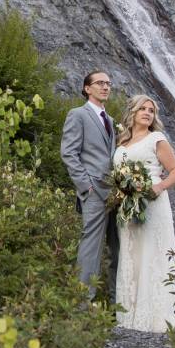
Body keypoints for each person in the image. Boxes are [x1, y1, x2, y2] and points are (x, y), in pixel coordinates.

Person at [112, 94, 175, 331]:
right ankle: (130, 316)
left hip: (152, 204)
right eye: (142, 109)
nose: (147, 113)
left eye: (151, 110)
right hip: (127, 206)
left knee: (153, 254)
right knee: (131, 255)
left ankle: (158, 316)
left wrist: (159, 186)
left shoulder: (157, 138)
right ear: (132, 113)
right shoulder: (122, 143)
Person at [60, 70, 119, 300]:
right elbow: (68, 153)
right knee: (90, 249)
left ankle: (116, 305)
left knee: (118, 249)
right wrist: (86, 186)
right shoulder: (77, 114)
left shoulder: (111, 120)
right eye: (100, 83)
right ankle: (82, 306)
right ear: (87, 88)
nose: (105, 87)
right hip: (94, 191)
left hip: (116, 193)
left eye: (108, 83)